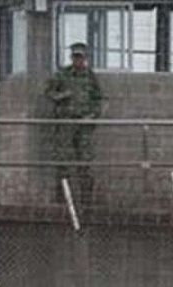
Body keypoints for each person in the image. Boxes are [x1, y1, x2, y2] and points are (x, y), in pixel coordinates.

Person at [45, 42, 103, 200]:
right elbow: (49, 92)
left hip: (84, 126)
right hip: (66, 124)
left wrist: (92, 116)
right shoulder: (62, 75)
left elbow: (99, 100)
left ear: (86, 58)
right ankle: (62, 200)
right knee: (62, 161)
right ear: (71, 57)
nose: (78, 60)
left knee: (85, 162)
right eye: (75, 57)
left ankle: (87, 201)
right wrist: (62, 96)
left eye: (81, 57)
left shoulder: (90, 77)